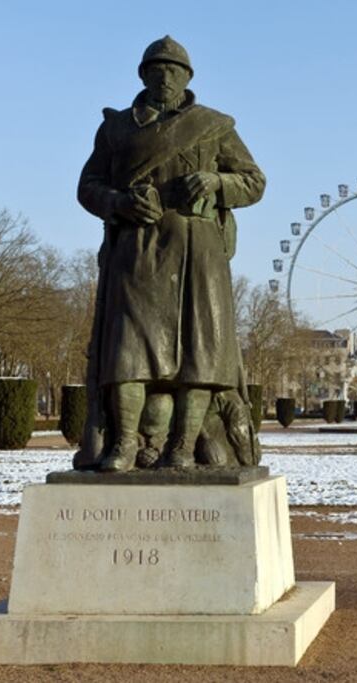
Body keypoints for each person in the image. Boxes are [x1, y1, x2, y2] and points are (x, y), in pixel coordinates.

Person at [77, 36, 264, 472]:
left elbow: (254, 182)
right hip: (137, 251)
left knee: (202, 357)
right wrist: (120, 203)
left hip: (199, 253)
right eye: (156, 69)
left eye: (174, 70)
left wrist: (217, 183)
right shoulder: (116, 128)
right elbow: (87, 187)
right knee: (129, 353)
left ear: (188, 77)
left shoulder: (215, 126)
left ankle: (182, 446)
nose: (165, 77)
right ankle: (124, 444)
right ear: (142, 75)